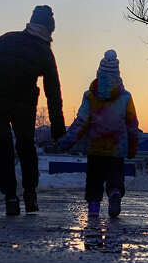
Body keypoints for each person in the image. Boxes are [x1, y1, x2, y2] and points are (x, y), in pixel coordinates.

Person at [0, 5, 66, 216]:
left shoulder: (5, 38)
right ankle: (30, 195)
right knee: (26, 146)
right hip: (22, 103)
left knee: (2, 148)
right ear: (49, 30)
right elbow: (53, 92)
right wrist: (58, 128)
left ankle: (10, 197)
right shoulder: (45, 51)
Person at [58, 49, 138, 217]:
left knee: (94, 178)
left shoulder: (90, 97)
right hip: (116, 149)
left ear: (99, 73)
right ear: (118, 74)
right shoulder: (125, 98)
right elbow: (132, 125)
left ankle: (93, 210)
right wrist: (132, 149)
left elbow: (81, 122)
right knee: (115, 176)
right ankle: (114, 194)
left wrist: (65, 142)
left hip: (95, 148)